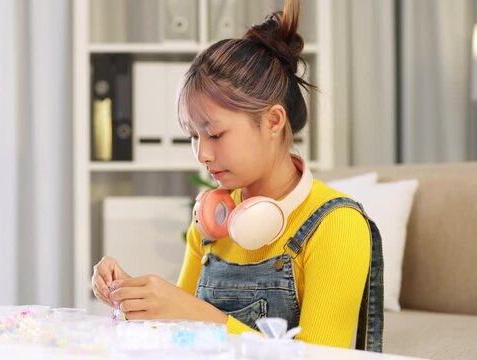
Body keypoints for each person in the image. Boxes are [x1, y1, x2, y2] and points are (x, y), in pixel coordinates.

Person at [91, 0, 383, 352]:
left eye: (215, 135)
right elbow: (175, 329)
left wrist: (202, 316)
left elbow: (321, 357)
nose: (202, 154)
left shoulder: (336, 224)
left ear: (274, 121)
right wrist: (131, 297)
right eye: (193, 136)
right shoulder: (213, 218)